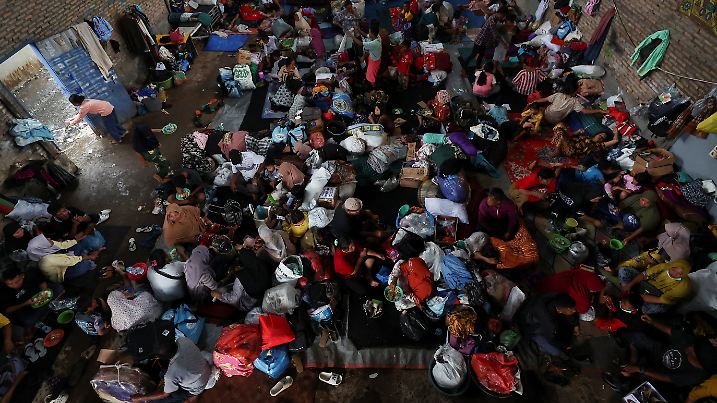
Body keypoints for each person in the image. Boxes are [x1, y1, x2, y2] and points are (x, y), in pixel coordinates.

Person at [131, 338, 219, 403]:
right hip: (203, 368)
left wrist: (140, 398)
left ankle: (188, 398)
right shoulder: (183, 341)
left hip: (195, 387)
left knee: (157, 401)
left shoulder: (172, 374)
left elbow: (164, 394)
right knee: (162, 373)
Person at [518, 293, 579, 360]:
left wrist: (575, 325)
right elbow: (551, 338)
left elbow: (568, 313)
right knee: (555, 351)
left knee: (567, 323)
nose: (574, 311)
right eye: (571, 309)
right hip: (532, 328)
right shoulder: (547, 321)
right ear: (562, 310)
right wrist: (565, 346)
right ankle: (563, 359)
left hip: (532, 310)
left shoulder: (555, 297)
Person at [618, 259, 692, 314]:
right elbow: (644, 275)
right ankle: (626, 292)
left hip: (659, 296)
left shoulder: (684, 286)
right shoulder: (664, 266)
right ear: (671, 266)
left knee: (654, 308)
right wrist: (629, 286)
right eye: (674, 269)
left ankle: (634, 306)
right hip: (646, 285)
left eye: (680, 273)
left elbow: (662, 300)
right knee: (624, 270)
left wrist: (636, 299)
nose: (674, 273)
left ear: (684, 275)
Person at [538, 267, 606, 314]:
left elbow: (602, 287)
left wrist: (600, 299)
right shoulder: (550, 286)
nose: (560, 312)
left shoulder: (583, 304)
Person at [534, 88, 606, 124]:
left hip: (547, 115)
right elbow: (585, 111)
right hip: (554, 121)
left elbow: (545, 99)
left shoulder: (559, 94)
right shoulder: (574, 101)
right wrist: (599, 110)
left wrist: (535, 101)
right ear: (574, 91)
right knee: (576, 111)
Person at [551, 124, 620, 158]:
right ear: (597, 134)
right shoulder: (586, 136)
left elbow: (615, 140)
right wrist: (577, 132)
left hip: (571, 151)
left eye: (603, 138)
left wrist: (616, 133)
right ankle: (557, 148)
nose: (600, 137)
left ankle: (557, 151)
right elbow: (570, 136)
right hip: (566, 143)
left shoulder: (596, 146)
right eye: (601, 135)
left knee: (561, 136)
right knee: (560, 126)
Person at [348, 20, 382, 87]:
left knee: (371, 76)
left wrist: (351, 36)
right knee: (370, 72)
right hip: (373, 57)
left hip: (374, 61)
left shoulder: (374, 43)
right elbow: (366, 35)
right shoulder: (377, 36)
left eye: (369, 31)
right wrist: (358, 29)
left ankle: (373, 86)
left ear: (372, 33)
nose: (368, 33)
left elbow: (360, 43)